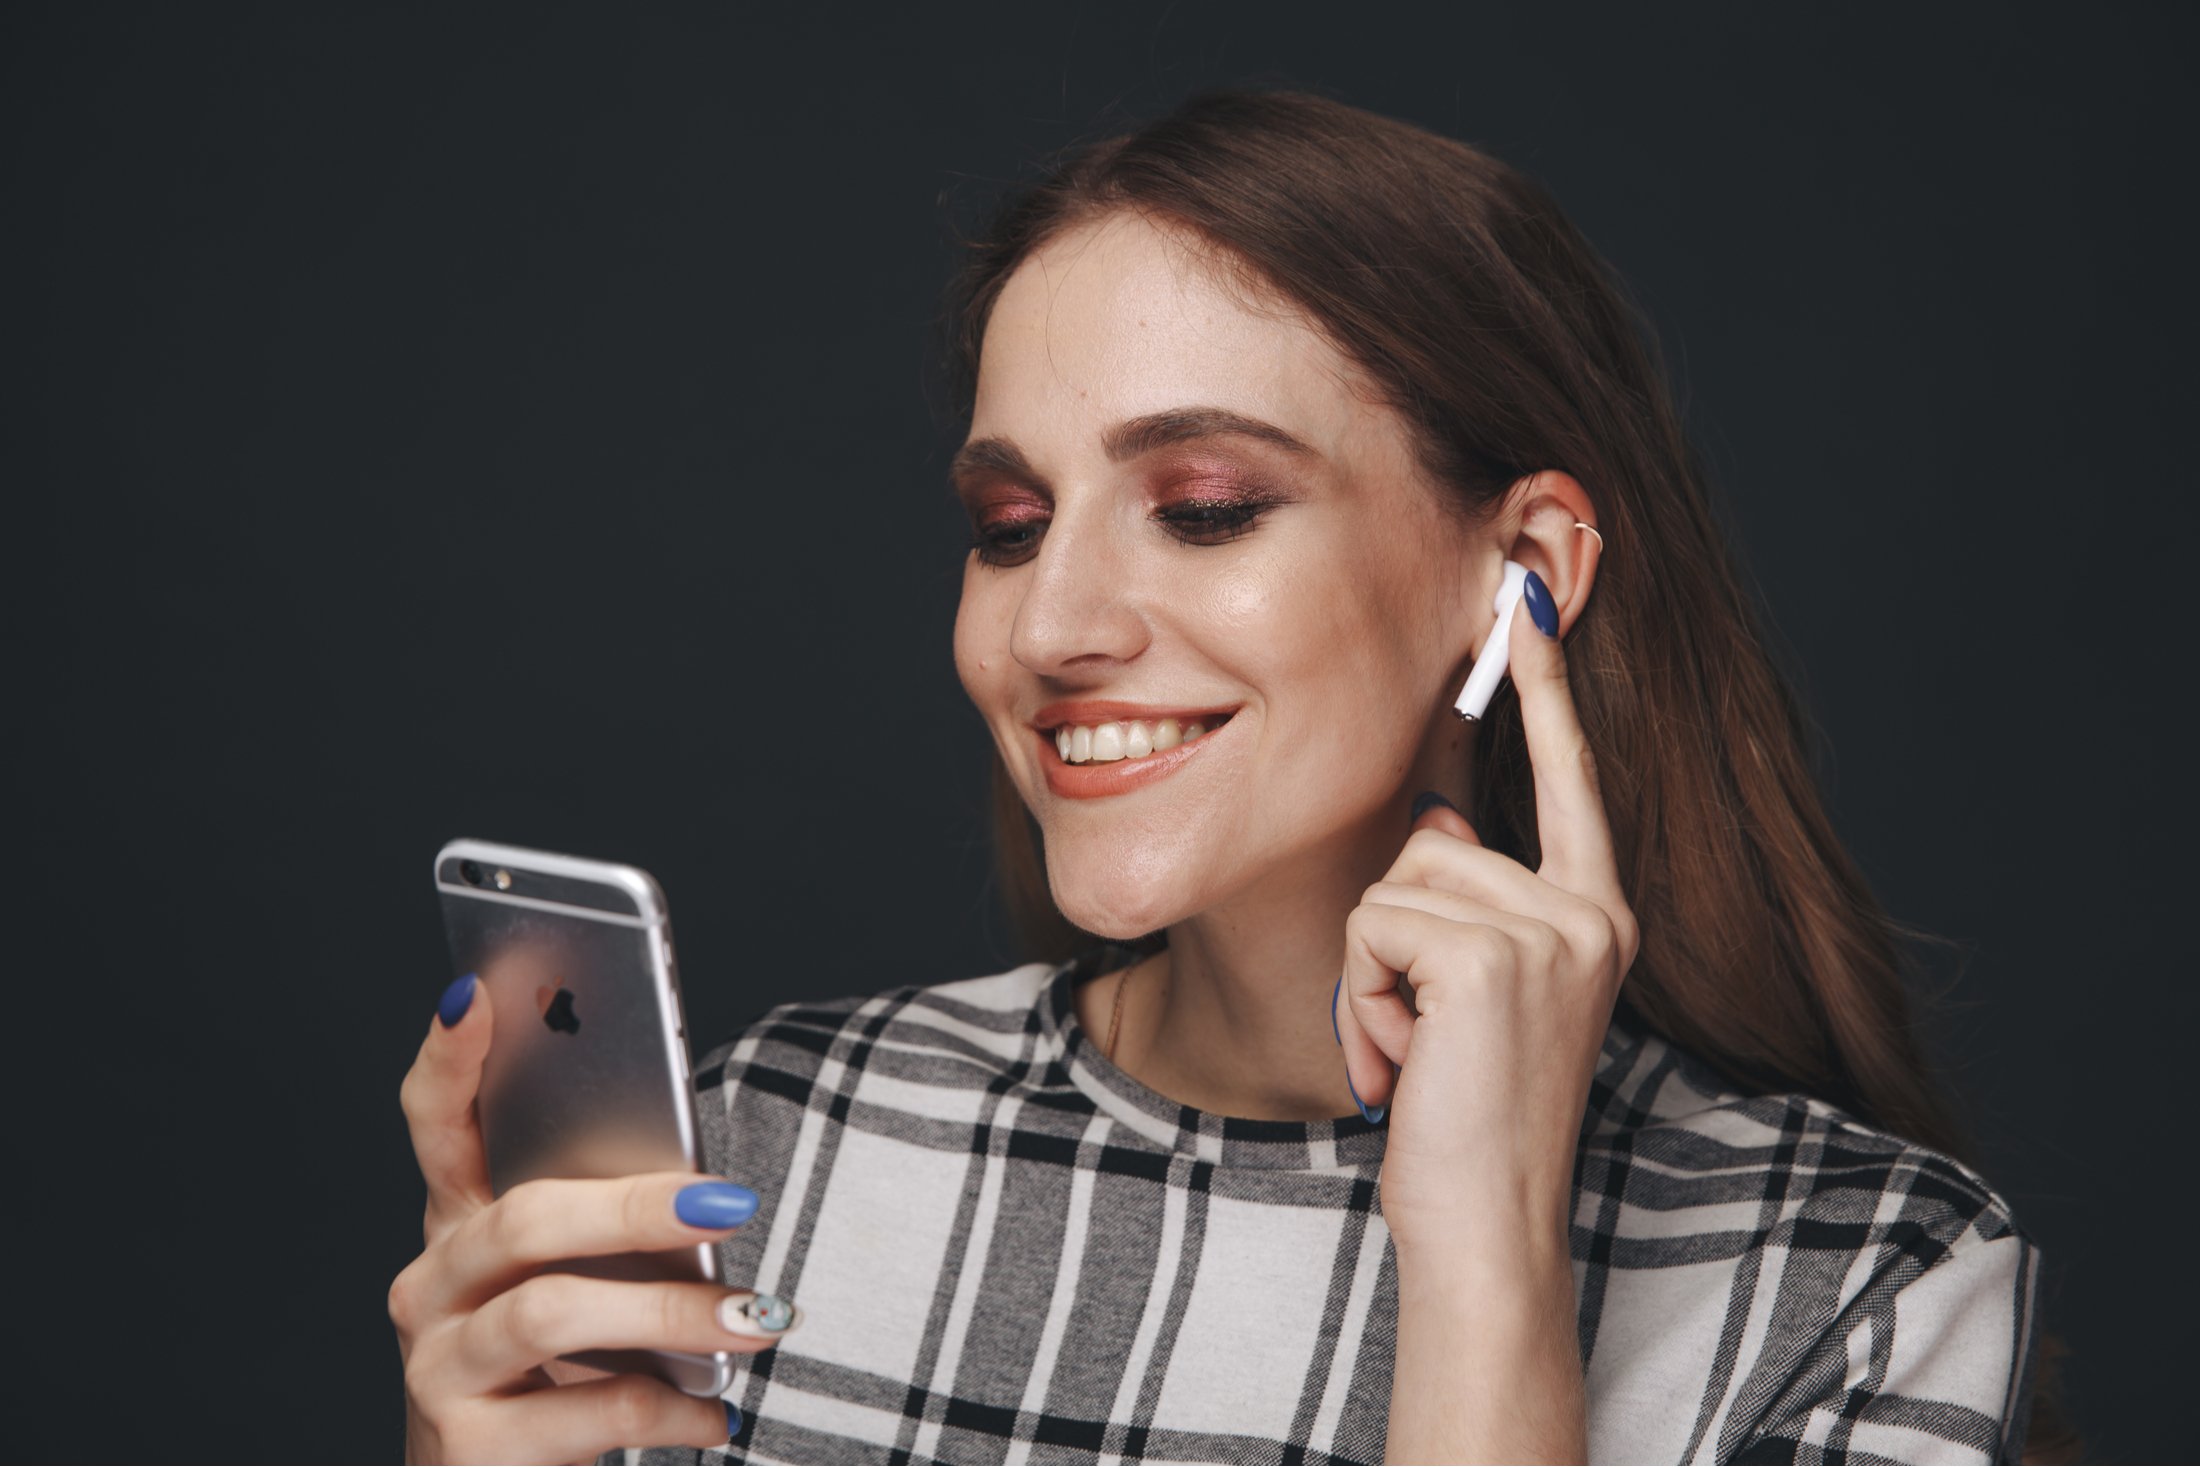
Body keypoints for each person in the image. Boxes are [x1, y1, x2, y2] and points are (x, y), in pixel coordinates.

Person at [389, 88, 2073, 1464]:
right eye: (1009, 526)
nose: (1049, 625)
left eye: (1203, 507)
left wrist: (1487, 1261)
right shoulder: (770, 1148)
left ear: (1526, 575)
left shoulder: (1864, 1287)